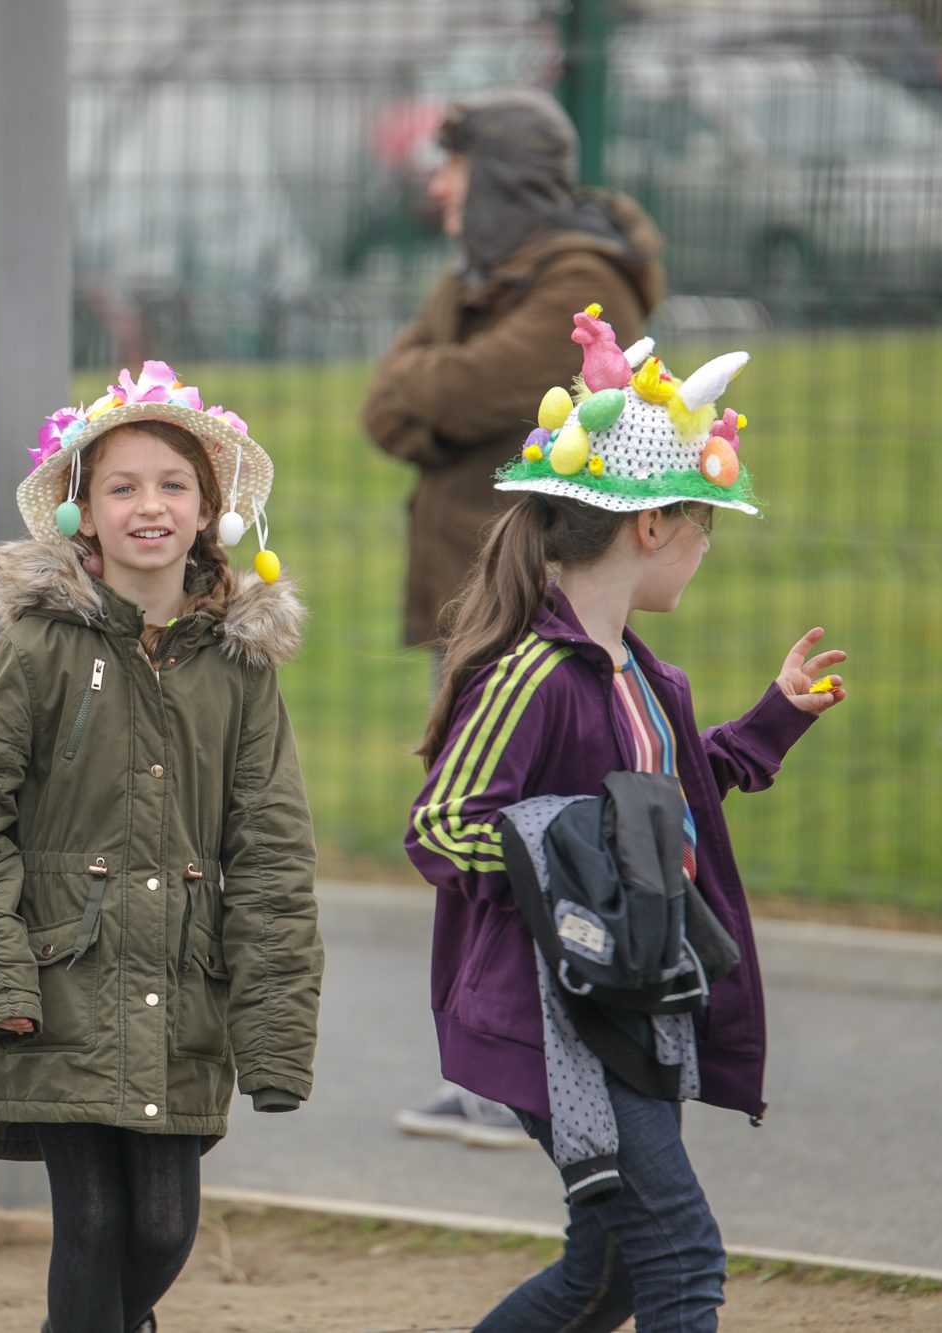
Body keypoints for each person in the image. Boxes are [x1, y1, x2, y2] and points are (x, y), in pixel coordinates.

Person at [406, 307, 847, 1330]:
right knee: (680, 1256)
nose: (701, 551)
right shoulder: (532, 675)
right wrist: (566, 863)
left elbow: (667, 806)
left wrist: (776, 718)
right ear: (651, 527)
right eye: (700, 527)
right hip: (556, 1017)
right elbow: (441, 827)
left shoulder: (648, 678)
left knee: (602, 1274)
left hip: (626, 1004)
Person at [0, 363, 324, 1333]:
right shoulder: (35, 647)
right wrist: (0, 977)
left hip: (182, 989)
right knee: (94, 1222)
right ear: (81, 515)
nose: (149, 504)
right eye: (122, 485)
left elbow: (271, 852)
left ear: (208, 512)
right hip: (58, 981)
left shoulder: (238, 666)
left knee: (161, 1226)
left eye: (172, 484)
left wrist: (273, 1031)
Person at [363, 87, 666, 1147]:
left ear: (495, 178)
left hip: (532, 602)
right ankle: (504, 1062)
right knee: (490, 835)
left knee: (512, 834)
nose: (437, 188)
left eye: (453, 169)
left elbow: (449, 391)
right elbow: (387, 403)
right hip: (480, 591)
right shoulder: (483, 276)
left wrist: (433, 389)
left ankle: (527, 1067)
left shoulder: (580, 284)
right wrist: (434, 388)